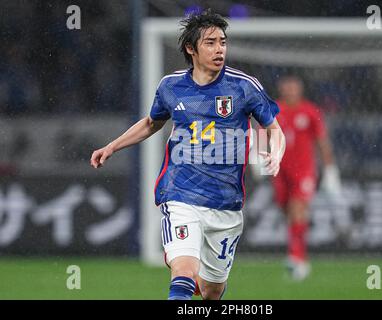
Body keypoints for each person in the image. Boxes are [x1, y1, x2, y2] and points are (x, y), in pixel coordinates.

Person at [90, 9, 285, 300]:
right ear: (190, 49)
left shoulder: (243, 86)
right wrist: (112, 146)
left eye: (222, 41)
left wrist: (276, 154)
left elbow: (274, 129)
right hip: (180, 194)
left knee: (210, 291)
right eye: (210, 42)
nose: (219, 49)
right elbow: (150, 123)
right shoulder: (171, 87)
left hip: (226, 205)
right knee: (183, 271)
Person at [272, 75, 341, 280]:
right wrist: (259, 155)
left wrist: (330, 169)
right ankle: (297, 252)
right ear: (282, 89)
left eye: (295, 87)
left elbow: (322, 141)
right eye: (287, 87)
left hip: (303, 171)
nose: (291, 91)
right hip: (280, 169)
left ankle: (297, 258)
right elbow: (262, 131)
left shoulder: (310, 111)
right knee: (287, 210)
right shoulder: (274, 109)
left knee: (297, 208)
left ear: (300, 90)